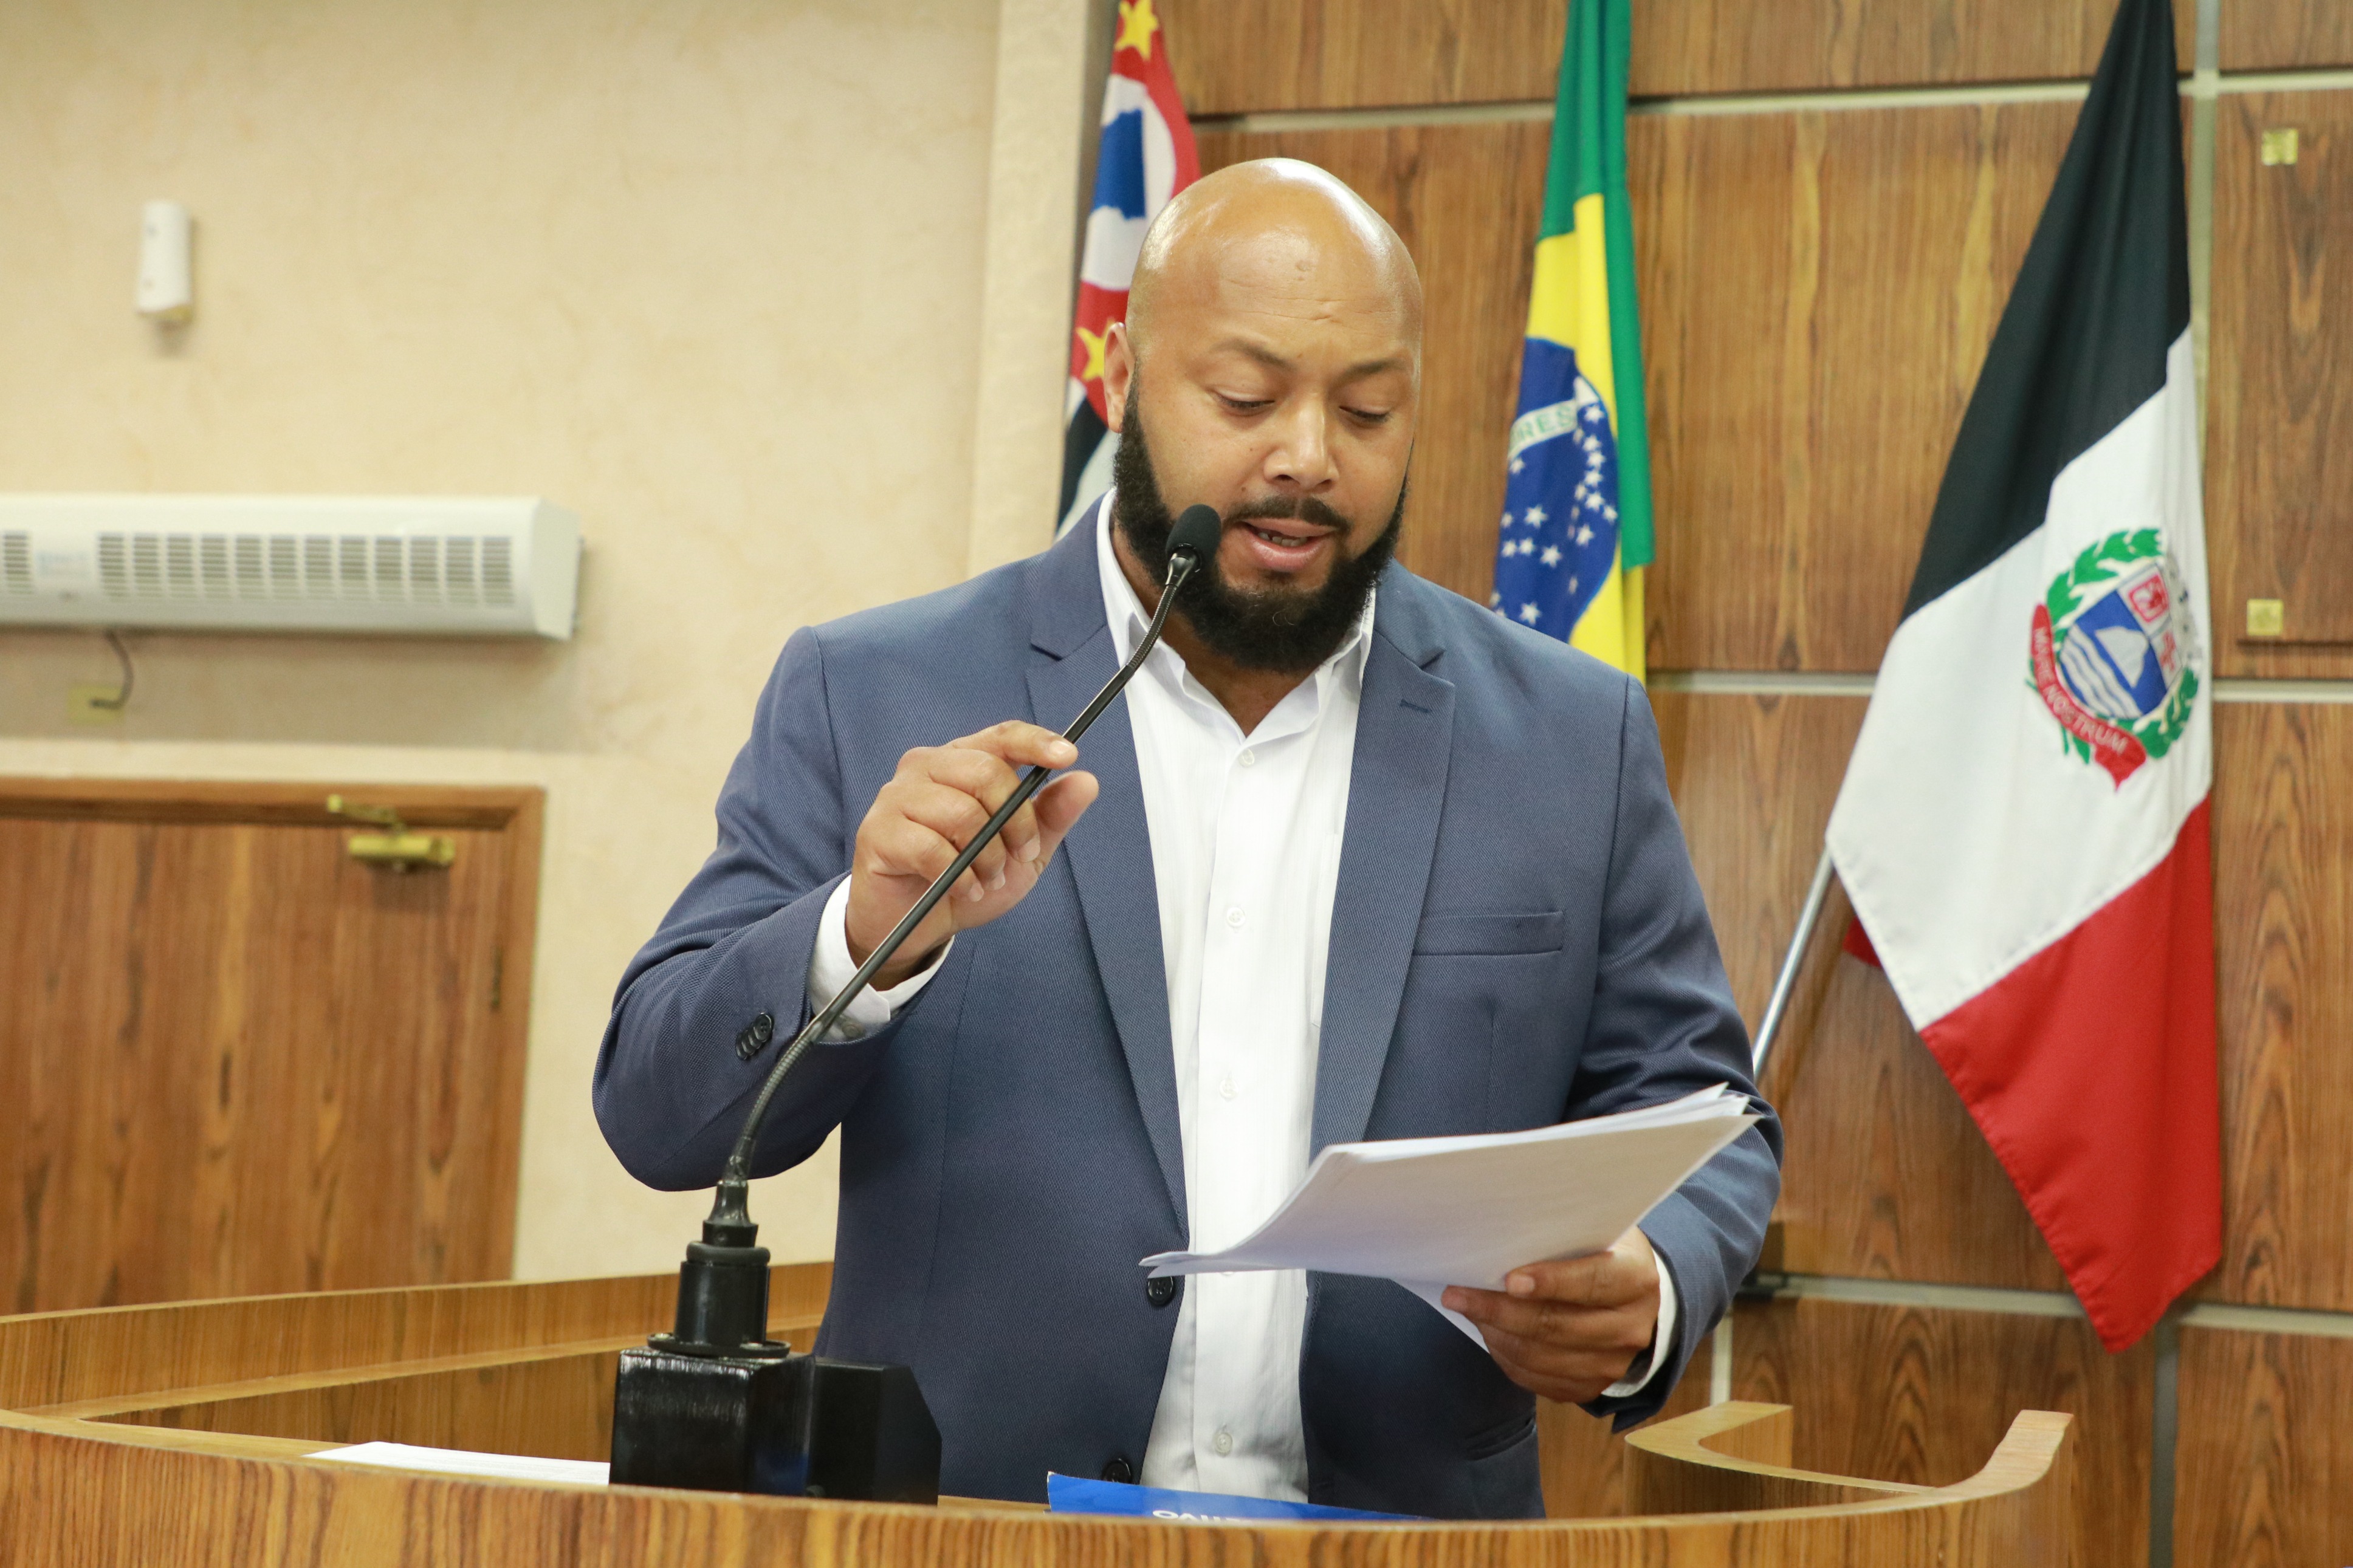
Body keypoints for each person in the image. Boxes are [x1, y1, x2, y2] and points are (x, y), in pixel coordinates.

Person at [596, 158, 1780, 1518]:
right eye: (1245, 398)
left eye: (1369, 409)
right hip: (975, 1536)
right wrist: (858, 932)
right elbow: (657, 1110)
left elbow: (1705, 1111)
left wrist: (1653, 1278)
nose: (1308, 457)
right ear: (1125, 379)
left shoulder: (1570, 736)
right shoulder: (874, 690)